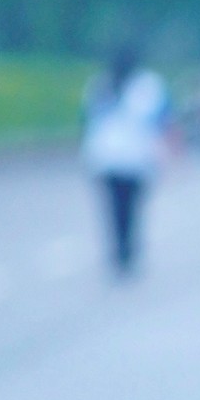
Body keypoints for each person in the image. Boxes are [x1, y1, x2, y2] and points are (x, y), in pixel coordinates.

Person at [80, 46, 171, 274]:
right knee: (126, 208)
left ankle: (123, 250)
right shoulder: (142, 87)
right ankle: (125, 250)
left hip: (118, 159)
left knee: (118, 208)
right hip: (126, 159)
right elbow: (162, 120)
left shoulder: (105, 85)